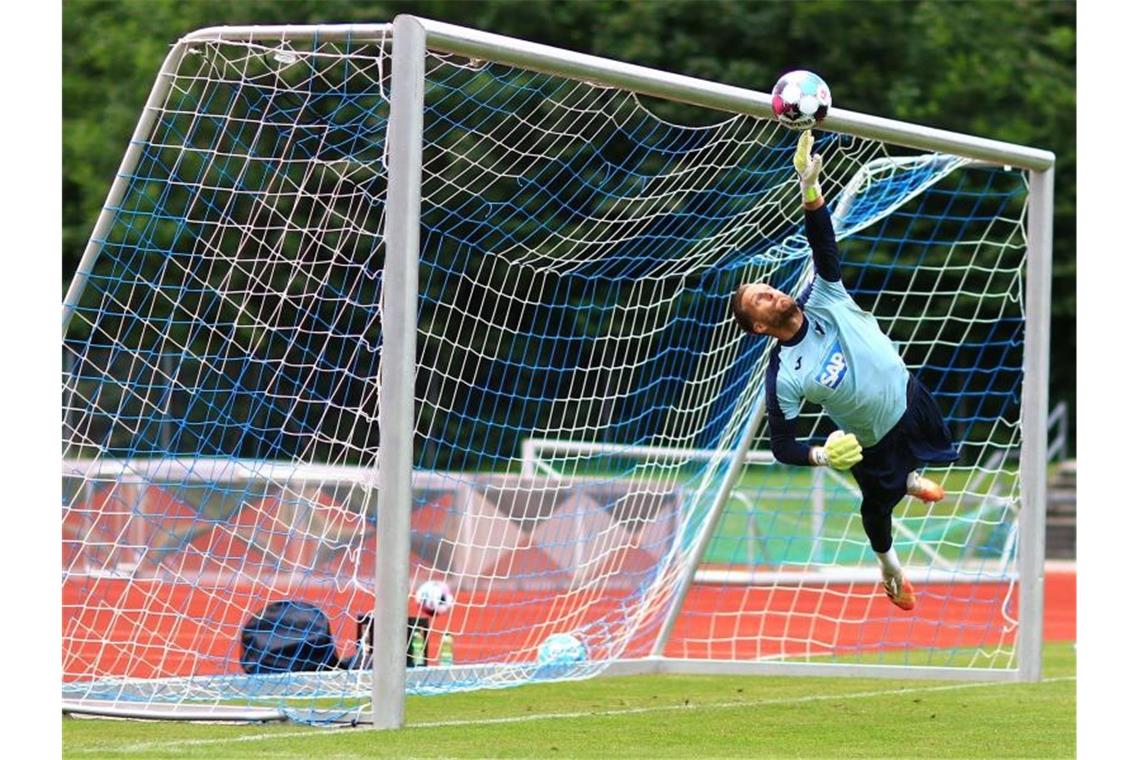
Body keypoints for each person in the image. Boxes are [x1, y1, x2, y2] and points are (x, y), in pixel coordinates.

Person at [729, 130, 958, 611]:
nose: (771, 292)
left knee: (925, 463)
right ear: (757, 325)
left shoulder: (824, 297)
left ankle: (909, 479)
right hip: (871, 441)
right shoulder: (784, 373)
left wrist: (809, 189)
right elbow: (782, 446)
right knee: (876, 513)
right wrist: (820, 456)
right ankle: (890, 568)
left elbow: (823, 244)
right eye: (760, 299)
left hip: (911, 398)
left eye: (768, 286)